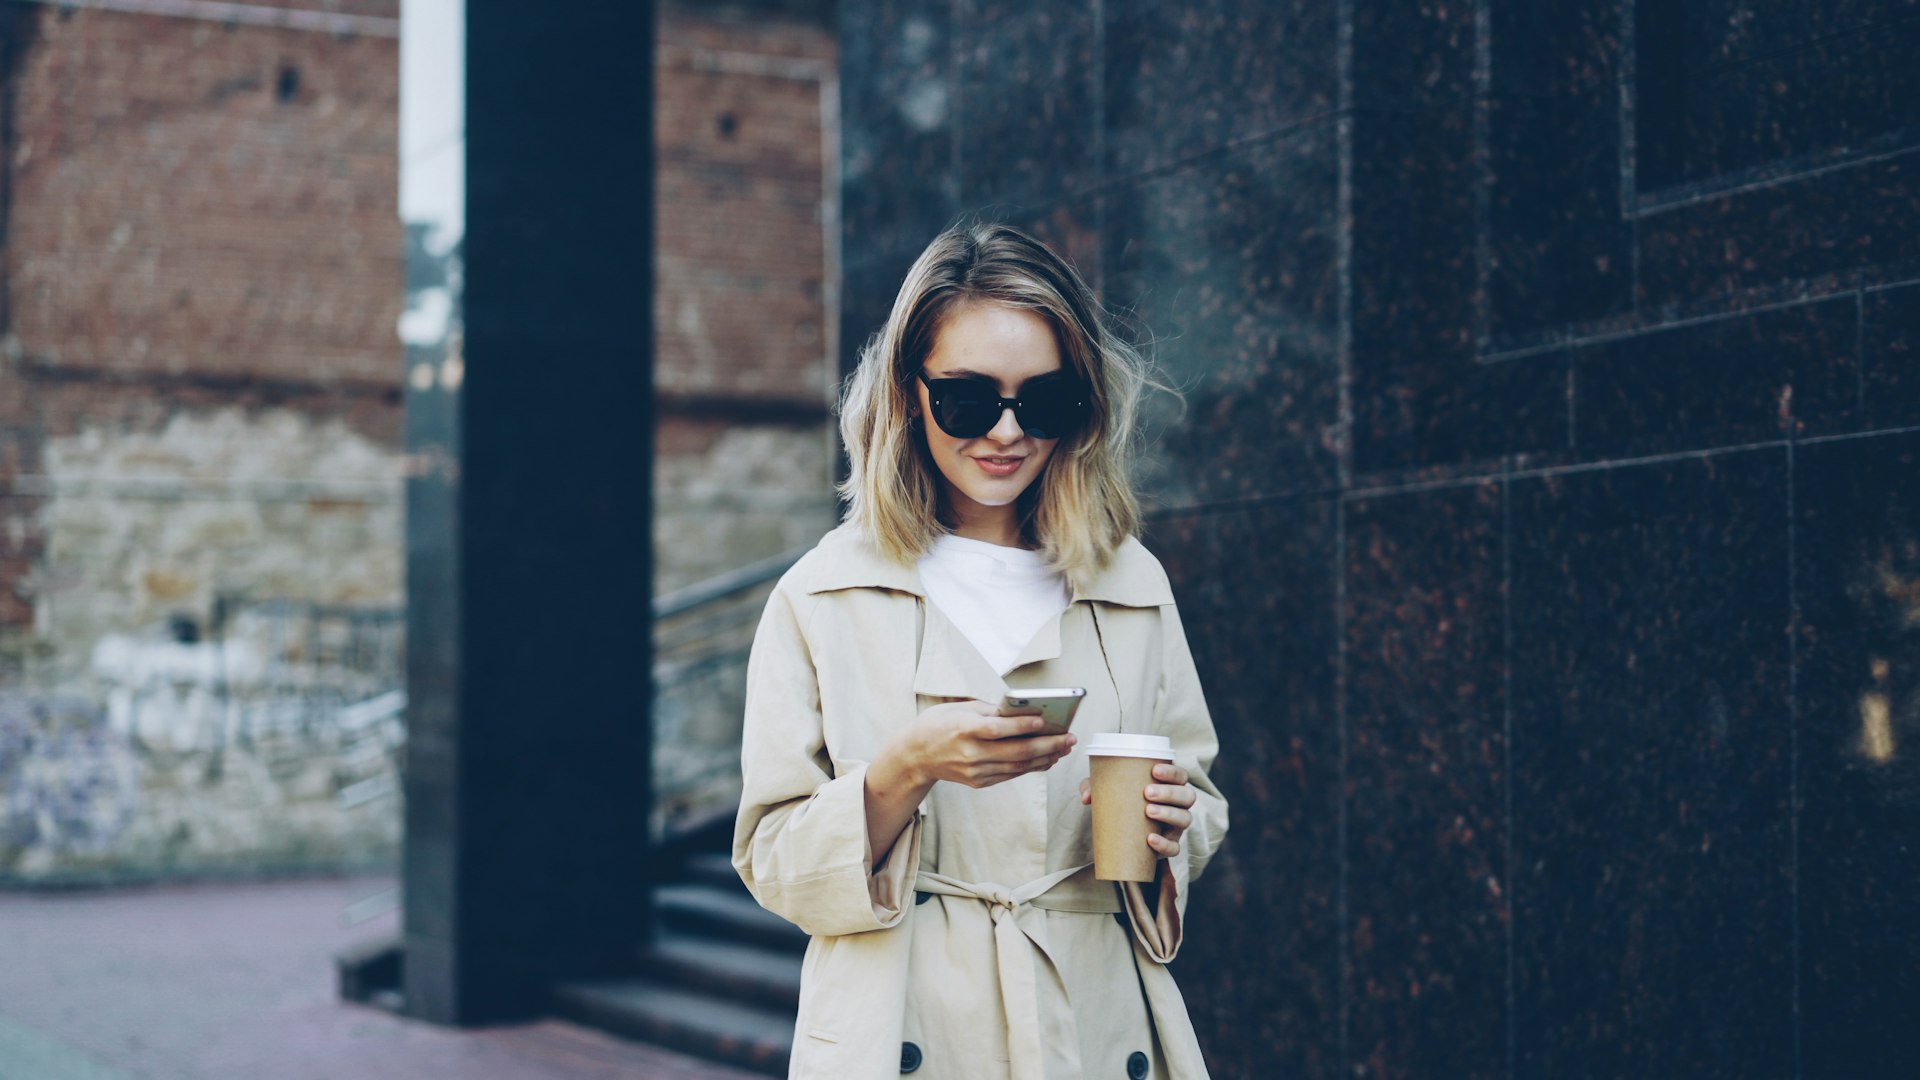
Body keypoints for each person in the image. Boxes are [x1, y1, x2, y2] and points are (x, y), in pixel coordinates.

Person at [733, 222, 1229, 1080]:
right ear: (908, 394)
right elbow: (773, 859)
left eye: (1042, 402)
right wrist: (904, 771)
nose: (1006, 433)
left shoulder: (1128, 582)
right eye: (968, 400)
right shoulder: (823, 593)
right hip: (906, 1022)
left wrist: (1171, 827)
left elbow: (1198, 795)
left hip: (1096, 1019)